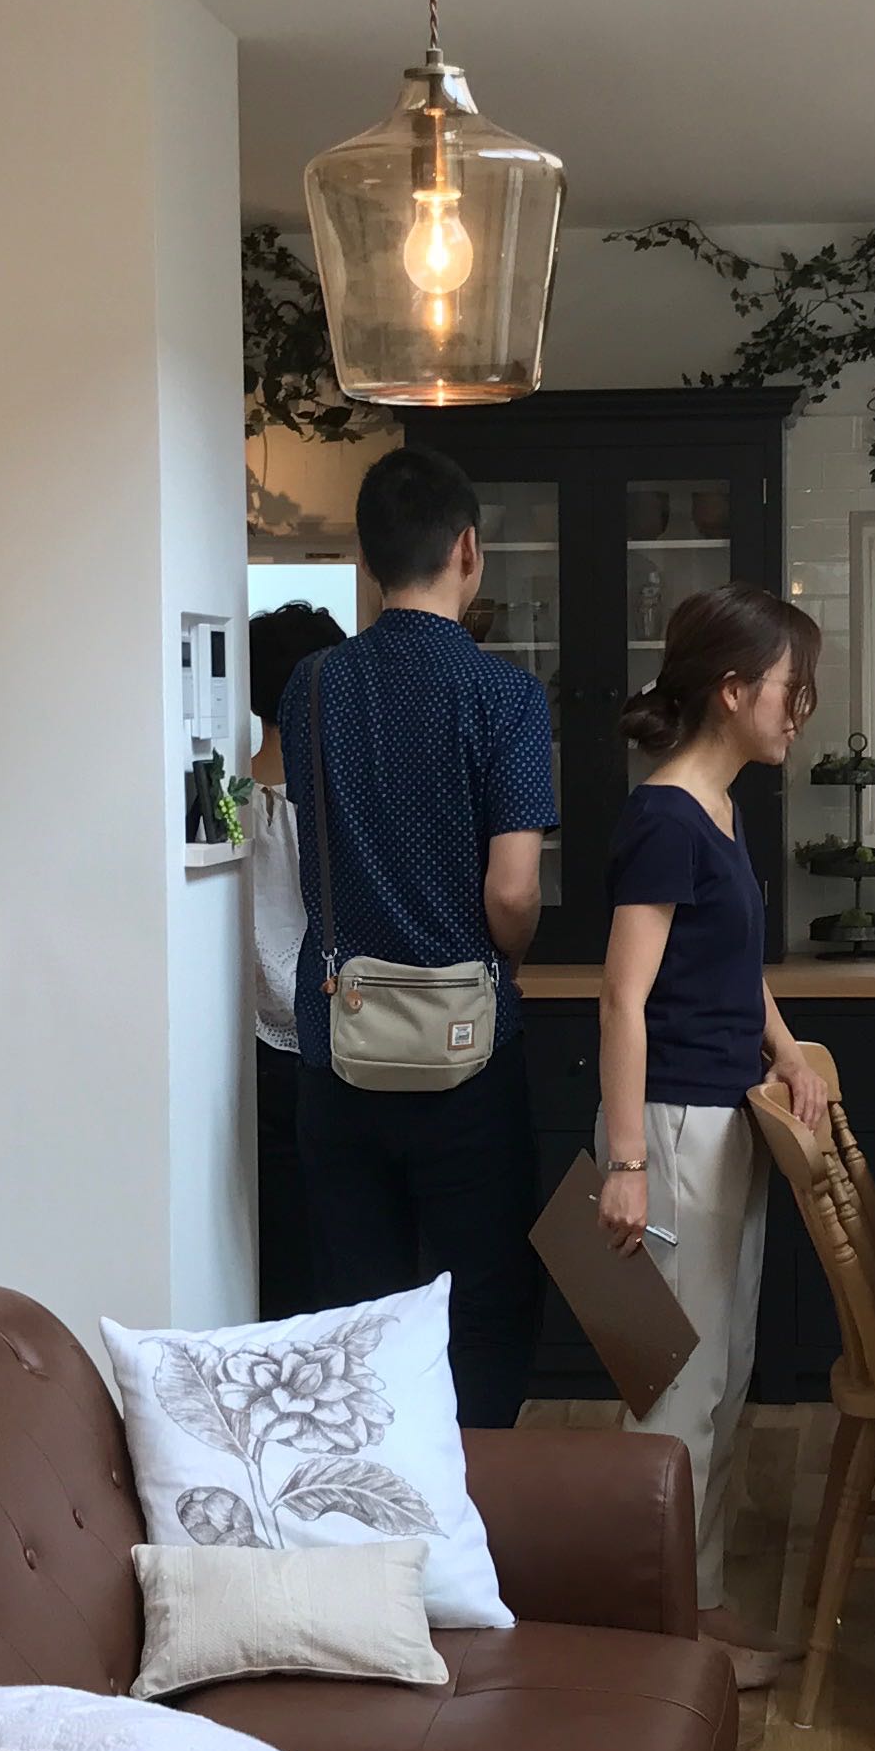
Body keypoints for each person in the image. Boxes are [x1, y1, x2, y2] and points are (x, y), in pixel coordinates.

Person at [283, 446, 557, 1426]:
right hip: (467, 1054)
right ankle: (471, 1499)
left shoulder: (311, 686)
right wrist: (509, 957)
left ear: (367, 561)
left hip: (339, 1050)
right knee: (483, 1304)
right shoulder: (505, 697)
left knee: (357, 1313)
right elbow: (513, 891)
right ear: (468, 550)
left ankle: (374, 1503)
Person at [595, 585, 831, 1689]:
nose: (801, 710)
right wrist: (627, 1164)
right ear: (734, 692)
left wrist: (786, 1049)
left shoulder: (720, 812)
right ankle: (665, 1637)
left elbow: (732, 969)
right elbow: (623, 998)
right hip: (674, 1129)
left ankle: (701, 1599)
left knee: (722, 1377)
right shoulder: (663, 817)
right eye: (792, 688)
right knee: (673, 1390)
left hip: (725, 1119)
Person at [243, 599, 349, 1318]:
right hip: (341, 1035)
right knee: (342, 1247)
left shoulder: (227, 794)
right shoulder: (344, 798)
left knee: (274, 1247)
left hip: (252, 1044)